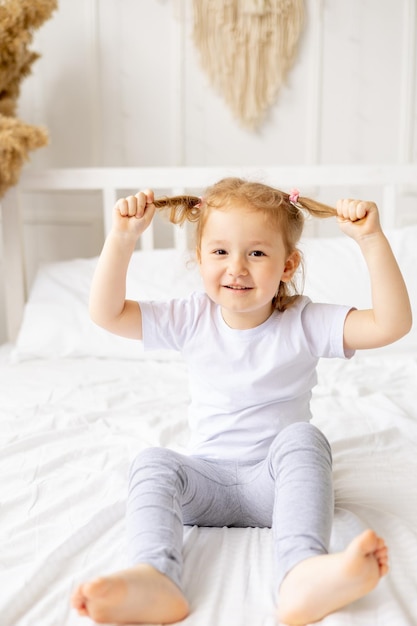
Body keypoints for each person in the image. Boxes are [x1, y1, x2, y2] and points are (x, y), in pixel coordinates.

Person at [71, 178, 412, 626]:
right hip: (206, 484)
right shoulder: (191, 317)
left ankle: (301, 574)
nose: (237, 267)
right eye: (219, 252)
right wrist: (121, 239)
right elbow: (107, 313)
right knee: (153, 461)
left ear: (288, 266)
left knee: (304, 439)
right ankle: (155, 578)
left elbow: (391, 324)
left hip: (276, 486)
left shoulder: (304, 321)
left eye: (256, 253)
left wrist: (371, 240)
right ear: (199, 260)